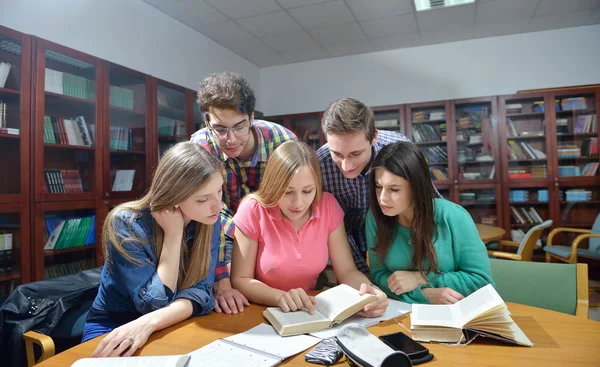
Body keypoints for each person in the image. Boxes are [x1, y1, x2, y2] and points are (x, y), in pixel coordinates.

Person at [82, 142, 223, 357]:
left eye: (219, 191)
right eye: (203, 199)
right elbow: (152, 304)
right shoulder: (127, 223)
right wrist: (173, 236)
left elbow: (201, 293)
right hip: (115, 326)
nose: (217, 206)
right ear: (174, 197)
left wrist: (150, 323)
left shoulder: (208, 219)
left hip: (167, 324)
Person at [231, 141, 388, 316]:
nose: (298, 203)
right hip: (257, 311)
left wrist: (368, 292)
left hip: (308, 310)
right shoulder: (253, 209)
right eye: (288, 192)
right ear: (273, 186)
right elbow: (240, 280)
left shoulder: (327, 205)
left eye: (307, 191)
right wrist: (280, 297)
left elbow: (347, 272)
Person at [191, 72, 297, 314]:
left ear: (251, 118)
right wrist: (222, 281)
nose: (230, 140)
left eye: (239, 127)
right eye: (220, 129)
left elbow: (295, 199)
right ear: (207, 123)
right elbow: (206, 218)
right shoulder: (201, 148)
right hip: (221, 232)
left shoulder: (282, 141)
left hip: (274, 231)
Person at [367, 142, 493, 304]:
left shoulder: (453, 216)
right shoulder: (374, 217)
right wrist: (425, 295)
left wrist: (422, 278)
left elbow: (480, 280)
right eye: (378, 187)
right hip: (404, 313)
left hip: (460, 313)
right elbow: (379, 275)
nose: (382, 198)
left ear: (416, 187)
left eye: (394, 189)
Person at [317, 98, 413, 274]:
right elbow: (336, 229)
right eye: (337, 154)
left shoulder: (398, 149)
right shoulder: (320, 164)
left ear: (373, 137)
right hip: (347, 242)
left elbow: (424, 202)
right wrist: (360, 275)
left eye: (355, 153)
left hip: (397, 237)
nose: (346, 166)